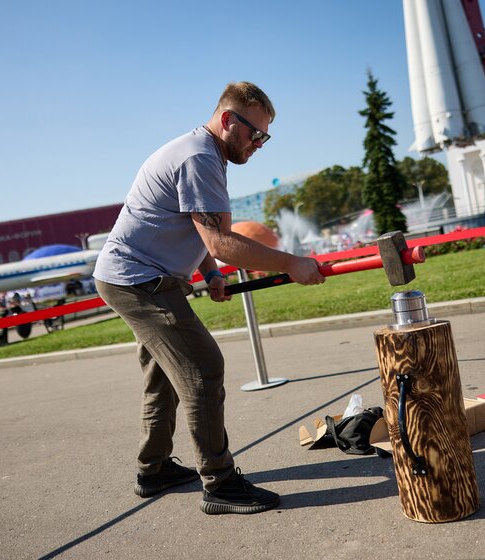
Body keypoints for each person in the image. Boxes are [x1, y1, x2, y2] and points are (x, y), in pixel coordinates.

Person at [93, 82, 325, 514]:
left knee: (164, 375)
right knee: (202, 369)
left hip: (135, 276)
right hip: (139, 280)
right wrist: (291, 263)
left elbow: (193, 229)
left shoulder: (202, 152)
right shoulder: (199, 158)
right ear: (227, 120)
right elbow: (220, 241)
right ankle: (219, 484)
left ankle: (153, 469)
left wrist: (210, 273)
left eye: (265, 136)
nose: (259, 144)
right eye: (256, 133)